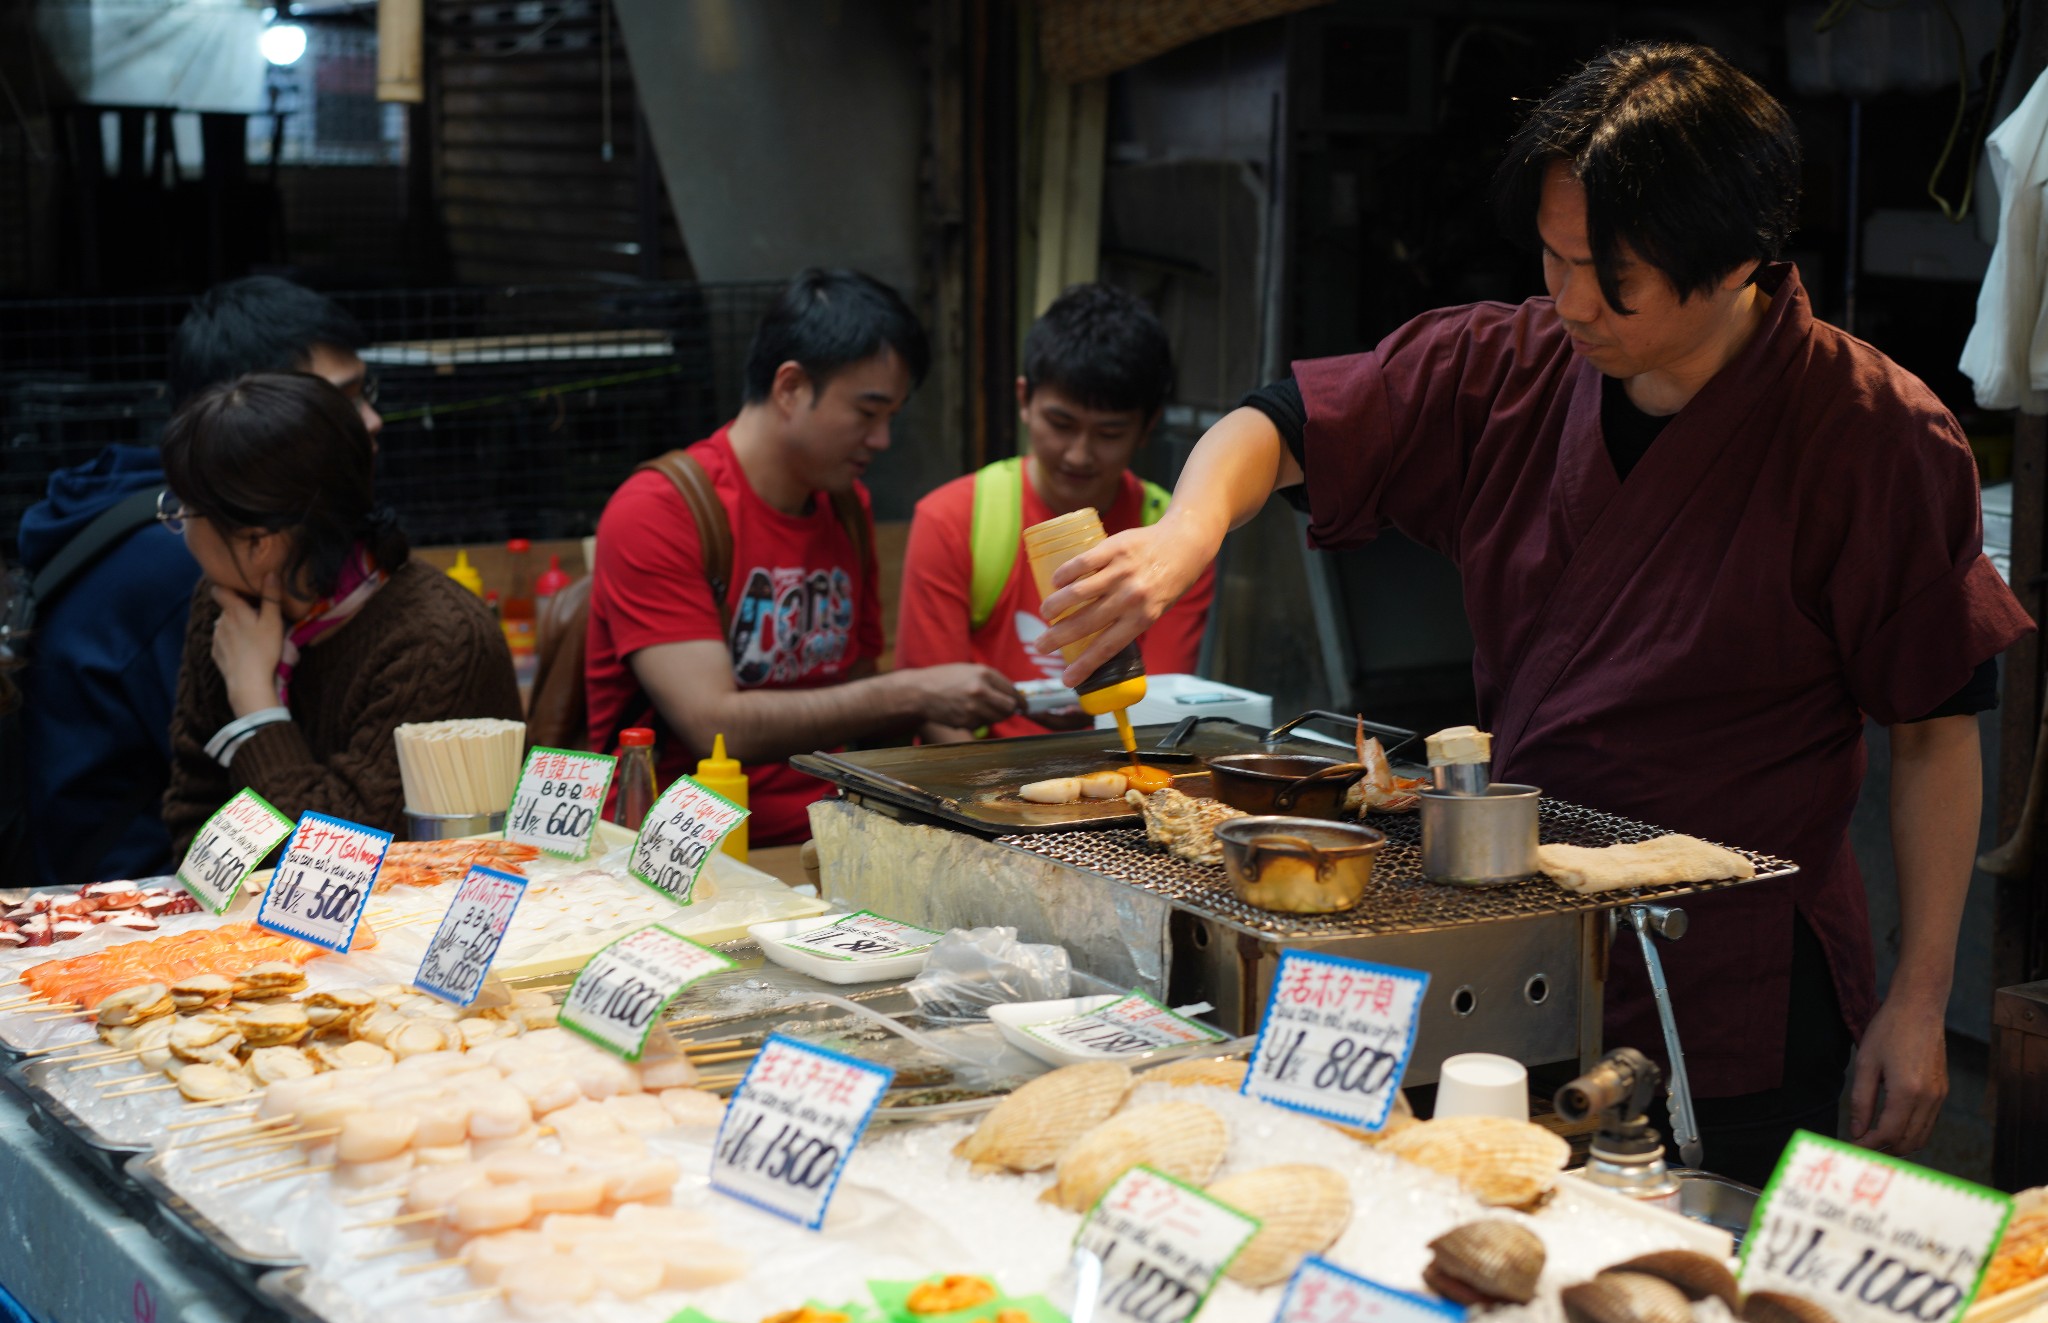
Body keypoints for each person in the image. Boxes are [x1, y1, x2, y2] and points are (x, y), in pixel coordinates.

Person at [1034, 42, 2032, 1184]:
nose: (1564, 300)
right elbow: (1283, 422)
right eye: (1551, 258)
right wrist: (1186, 531)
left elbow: (1936, 730)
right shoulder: (1508, 368)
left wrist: (1917, 999)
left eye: (1607, 274)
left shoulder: (1873, 437)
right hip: (1503, 931)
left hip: (1728, 979)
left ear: (1736, 263)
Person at [584, 268, 1020, 848]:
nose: (882, 439)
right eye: (867, 413)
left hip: (823, 835)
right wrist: (913, 692)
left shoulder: (844, 508)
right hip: (680, 850)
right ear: (790, 387)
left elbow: (856, 695)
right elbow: (713, 722)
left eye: (891, 416)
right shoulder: (660, 510)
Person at [13, 276, 383, 884]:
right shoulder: (191, 557)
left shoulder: (140, 503)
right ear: (253, 405)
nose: (370, 421)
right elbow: (276, 820)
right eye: (338, 401)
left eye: (365, 392)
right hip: (129, 898)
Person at [159, 372, 517, 852]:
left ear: (258, 543)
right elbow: (193, 817)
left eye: (185, 509)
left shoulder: (440, 641)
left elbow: (341, 862)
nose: (178, 523)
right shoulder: (224, 605)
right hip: (239, 925)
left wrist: (257, 708)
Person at [896, 282, 1215, 741]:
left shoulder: (1174, 534)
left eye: (1109, 433)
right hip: (985, 769)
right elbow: (933, 709)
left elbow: (1157, 707)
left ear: (1147, 427)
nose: (1079, 455)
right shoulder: (951, 518)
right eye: (1061, 424)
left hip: (1117, 760)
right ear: (1024, 400)